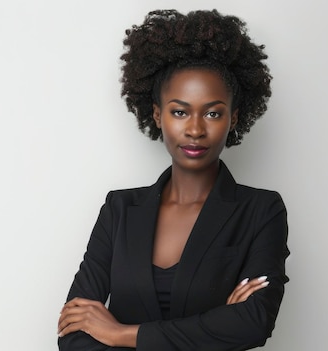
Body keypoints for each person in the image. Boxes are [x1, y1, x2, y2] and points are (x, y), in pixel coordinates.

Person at [57, 9, 289, 351]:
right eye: (179, 111)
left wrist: (123, 333)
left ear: (233, 117)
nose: (195, 129)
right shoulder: (119, 209)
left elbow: (252, 323)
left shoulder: (260, 210)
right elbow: (74, 332)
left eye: (212, 113)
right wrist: (213, 327)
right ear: (157, 114)